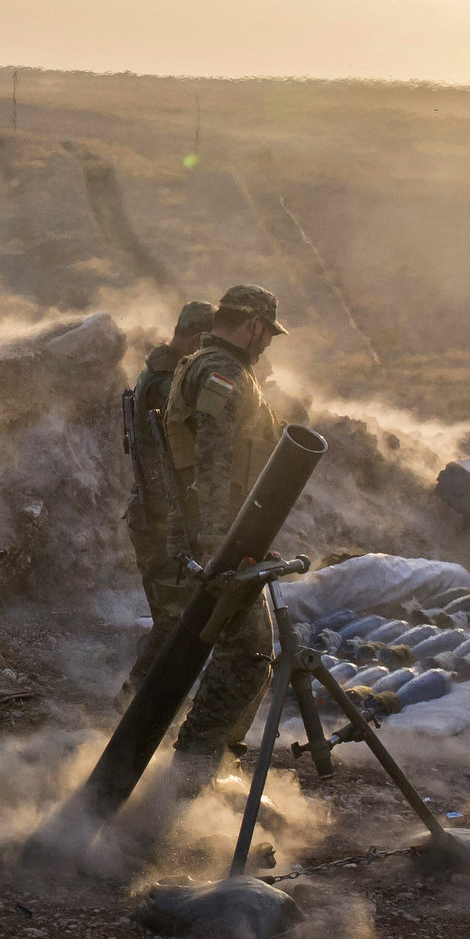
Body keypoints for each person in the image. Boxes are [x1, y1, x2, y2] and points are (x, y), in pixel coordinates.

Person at [159, 283, 287, 788]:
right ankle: (192, 775)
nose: (269, 344)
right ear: (253, 323)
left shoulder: (214, 365)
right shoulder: (222, 371)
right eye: (268, 333)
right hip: (215, 536)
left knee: (245, 652)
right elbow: (213, 455)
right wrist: (217, 539)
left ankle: (205, 768)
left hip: (228, 532)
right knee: (249, 653)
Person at [120, 300, 217, 701]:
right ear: (197, 338)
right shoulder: (166, 383)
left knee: (175, 618)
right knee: (175, 619)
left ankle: (146, 703)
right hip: (161, 517)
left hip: (161, 513)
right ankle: (132, 705)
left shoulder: (162, 374)